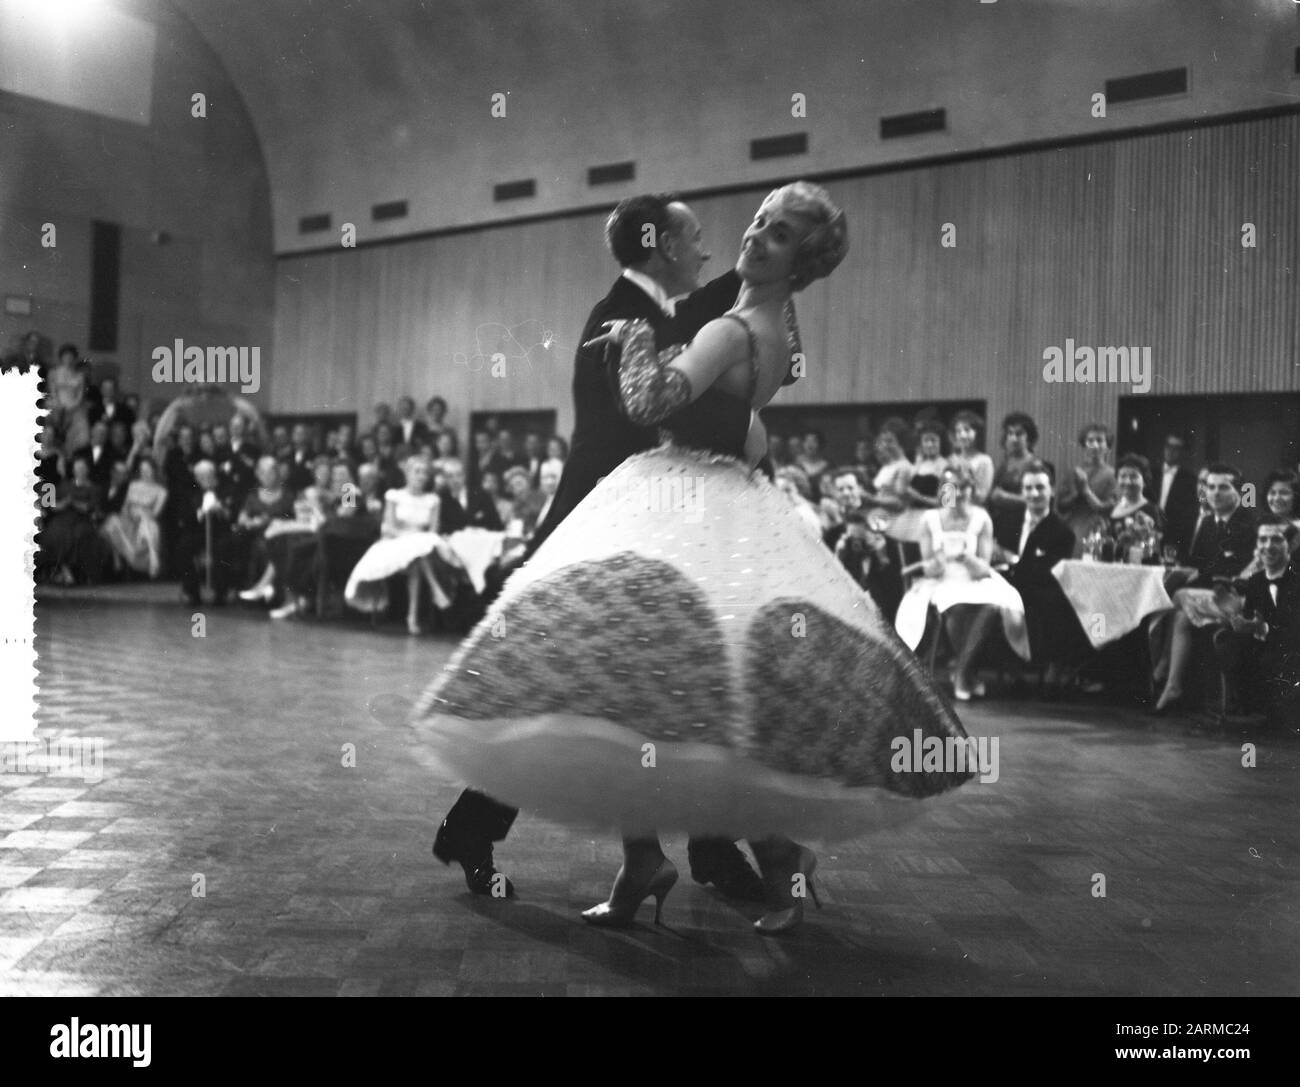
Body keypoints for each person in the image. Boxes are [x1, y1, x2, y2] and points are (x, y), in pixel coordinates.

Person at [412, 182, 971, 936]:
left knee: (649, 688)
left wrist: (737, 412)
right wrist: (742, 422)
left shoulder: (719, 309)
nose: (722, 242)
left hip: (675, 510)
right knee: (618, 684)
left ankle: (714, 856)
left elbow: (722, 361)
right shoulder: (641, 310)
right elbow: (627, 417)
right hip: (606, 509)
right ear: (662, 247)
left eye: (769, 231)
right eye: (704, 234)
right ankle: (708, 856)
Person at [428, 192, 760, 902]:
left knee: (675, 689)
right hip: (588, 542)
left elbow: (697, 325)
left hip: (641, 540)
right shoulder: (619, 318)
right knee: (557, 698)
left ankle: (702, 845)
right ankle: (473, 829)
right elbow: (653, 409)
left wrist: (755, 274)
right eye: (696, 237)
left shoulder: (655, 314)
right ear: (662, 245)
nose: (705, 249)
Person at [895, 462, 1027, 700]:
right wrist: (938, 563)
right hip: (942, 581)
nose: (957, 493)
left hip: (973, 577)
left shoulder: (982, 518)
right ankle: (966, 674)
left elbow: (983, 568)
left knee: (992, 605)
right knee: (955, 606)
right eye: (951, 487)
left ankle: (961, 670)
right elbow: (930, 568)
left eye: (963, 487)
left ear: (971, 489)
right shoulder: (930, 519)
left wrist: (966, 557)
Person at [1150, 463, 1257, 714]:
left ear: (1239, 492)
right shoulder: (1208, 522)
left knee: (1176, 595)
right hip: (1211, 594)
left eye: (1223, 487)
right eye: (1210, 487)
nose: (1215, 493)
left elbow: (1229, 574)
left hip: (1236, 597)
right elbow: (1199, 565)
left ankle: (1163, 666)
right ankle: (1173, 686)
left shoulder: (1247, 526)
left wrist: (1196, 578)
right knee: (1181, 617)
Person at [991, 461, 1084, 696]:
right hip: (1003, 584)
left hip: (1035, 590)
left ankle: (1045, 667)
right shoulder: (1007, 521)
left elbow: (1044, 572)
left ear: (1051, 490)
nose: (1034, 494)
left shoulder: (1062, 532)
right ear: (1022, 492)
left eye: (1040, 488)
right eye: (1028, 488)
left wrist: (1012, 562)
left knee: (1053, 601)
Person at [344, 456, 459, 634]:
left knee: (417, 556)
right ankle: (434, 591)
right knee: (417, 549)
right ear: (407, 474)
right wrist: (411, 537)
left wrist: (417, 539)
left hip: (422, 547)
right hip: (395, 544)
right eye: (417, 472)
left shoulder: (432, 500)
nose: (421, 477)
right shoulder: (393, 495)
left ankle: (412, 616)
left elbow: (433, 532)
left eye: (424, 473)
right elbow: (389, 527)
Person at [1212, 522, 1299, 723]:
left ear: (1290, 544)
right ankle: (1251, 707)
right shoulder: (1256, 581)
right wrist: (1241, 622)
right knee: (1228, 642)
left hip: (1291, 647)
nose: (1268, 546)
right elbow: (1252, 618)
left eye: (1276, 539)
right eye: (1263, 539)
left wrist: (1262, 628)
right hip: (1266, 643)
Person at [987, 412, 1053, 543]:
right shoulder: (1004, 464)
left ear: (1029, 437)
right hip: (1001, 524)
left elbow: (1043, 500)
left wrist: (1006, 497)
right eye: (1010, 433)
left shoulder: (1037, 465)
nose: (1014, 438)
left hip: (1025, 524)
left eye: (1019, 434)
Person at [99, 456, 168, 579]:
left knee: (149, 525)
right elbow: (124, 507)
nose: (145, 473)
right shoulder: (133, 485)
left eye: (148, 470)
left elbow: (156, 513)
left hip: (146, 520)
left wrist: (142, 514)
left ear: (154, 470)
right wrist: (131, 515)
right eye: (142, 470)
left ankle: (153, 557)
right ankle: (119, 559)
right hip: (129, 519)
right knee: (113, 520)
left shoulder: (161, 491)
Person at [1055, 424, 1116, 556]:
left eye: (1100, 440)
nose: (1095, 445)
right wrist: (1075, 495)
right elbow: (1060, 506)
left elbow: (1109, 509)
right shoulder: (1074, 472)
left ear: (1108, 447)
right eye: (1090, 441)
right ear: (1084, 445)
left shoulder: (1112, 475)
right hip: (1072, 525)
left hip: (1097, 528)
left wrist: (1086, 489)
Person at [1157, 433, 1199, 561]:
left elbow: (1192, 511)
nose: (1171, 451)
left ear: (1181, 452)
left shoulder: (1191, 479)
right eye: (1168, 446)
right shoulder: (1151, 473)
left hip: (1174, 536)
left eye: (1176, 448)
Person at [948, 410, 994, 505]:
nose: (963, 435)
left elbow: (982, 498)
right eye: (958, 431)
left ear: (977, 433)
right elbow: (947, 498)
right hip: (952, 514)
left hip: (974, 512)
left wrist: (968, 481)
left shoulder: (984, 461)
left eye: (967, 430)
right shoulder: (951, 459)